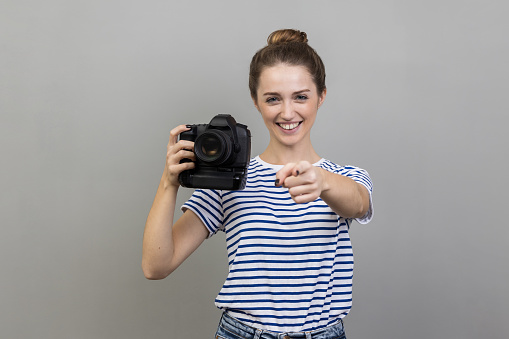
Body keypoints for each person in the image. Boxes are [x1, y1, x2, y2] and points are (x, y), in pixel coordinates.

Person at [142, 28, 373, 339]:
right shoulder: (229, 180)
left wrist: (323, 182)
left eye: (301, 97)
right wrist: (169, 182)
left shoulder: (344, 178)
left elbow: (359, 203)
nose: (287, 112)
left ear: (321, 96)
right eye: (273, 99)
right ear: (256, 101)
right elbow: (156, 266)